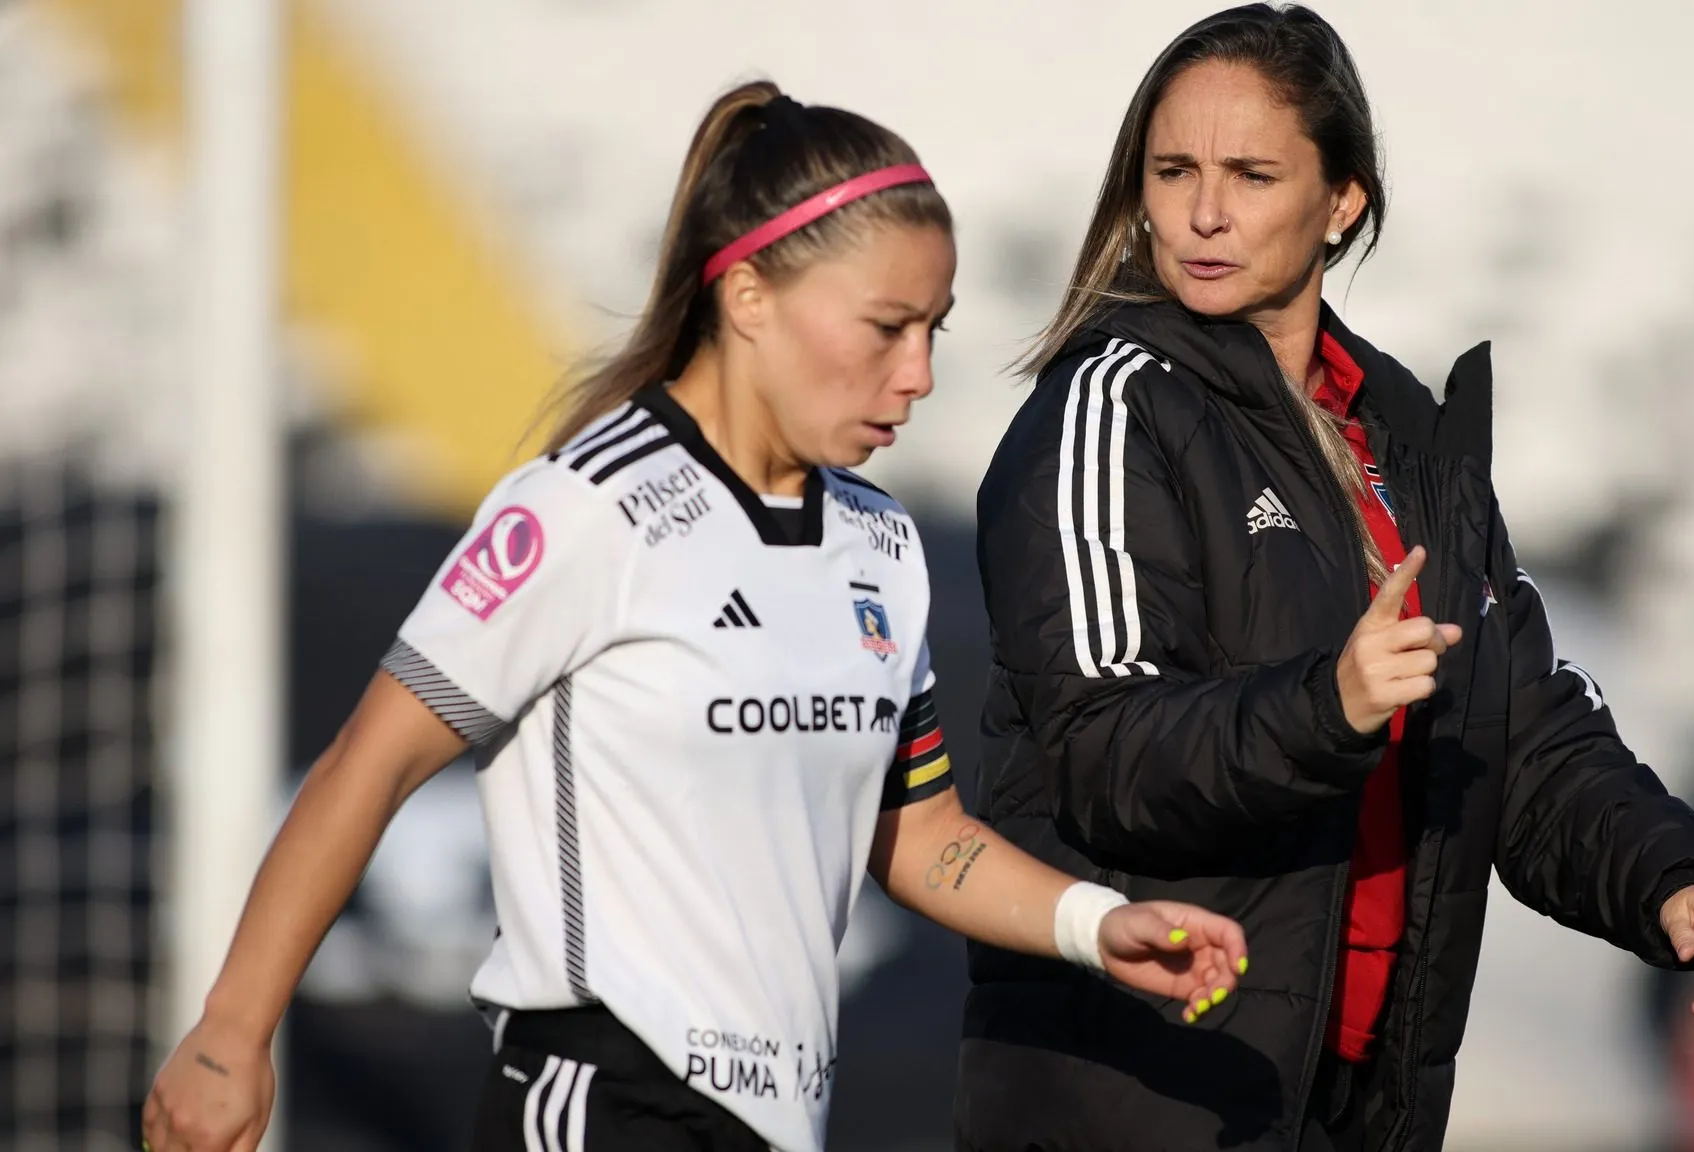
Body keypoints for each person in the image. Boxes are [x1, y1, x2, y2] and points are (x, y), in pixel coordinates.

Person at [142, 81, 1248, 1152]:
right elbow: (363, 768)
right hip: (598, 1102)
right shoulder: (585, 509)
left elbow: (917, 835)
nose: (915, 374)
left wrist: (1093, 926)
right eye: (884, 326)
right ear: (748, 295)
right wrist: (231, 1033)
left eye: (934, 331)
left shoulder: (879, 541)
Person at [958, 7, 1694, 1151]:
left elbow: (1516, 728)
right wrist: (1325, 704)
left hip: (1349, 1101)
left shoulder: (1412, 446)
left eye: (1250, 173)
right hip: (1143, 1089)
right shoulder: (1109, 407)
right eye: (1172, 169)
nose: (1202, 212)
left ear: (1342, 203)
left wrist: (1665, 873)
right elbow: (1100, 751)